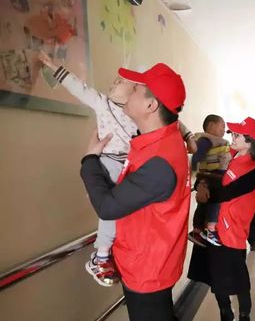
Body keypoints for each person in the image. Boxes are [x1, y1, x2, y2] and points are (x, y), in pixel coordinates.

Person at [80, 63, 210, 321]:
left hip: (146, 267)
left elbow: (108, 206)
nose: (128, 91)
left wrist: (89, 161)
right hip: (153, 259)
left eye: (136, 89)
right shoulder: (159, 141)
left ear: (151, 105)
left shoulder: (160, 160)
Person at [39, 51, 194, 287]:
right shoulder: (104, 104)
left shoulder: (145, 124)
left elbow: (174, 118)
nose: (114, 83)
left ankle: (102, 255)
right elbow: (79, 88)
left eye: (127, 84)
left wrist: (189, 136)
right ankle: (102, 254)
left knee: (115, 209)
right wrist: (53, 67)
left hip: (126, 163)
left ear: (148, 102)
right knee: (110, 210)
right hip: (110, 161)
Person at [195, 117, 255, 321]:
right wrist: (201, 184)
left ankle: (244, 317)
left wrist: (206, 193)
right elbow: (215, 179)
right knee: (217, 280)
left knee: (239, 280)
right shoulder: (230, 160)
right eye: (232, 133)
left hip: (233, 233)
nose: (231, 137)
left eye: (237, 135)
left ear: (250, 141)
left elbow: (229, 192)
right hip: (215, 230)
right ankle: (226, 314)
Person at [188, 115, 231, 246]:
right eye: (222, 126)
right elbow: (197, 155)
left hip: (212, 176)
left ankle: (197, 230)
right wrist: (194, 170)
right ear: (211, 126)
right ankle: (211, 230)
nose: (224, 130)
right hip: (211, 176)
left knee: (203, 204)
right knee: (214, 201)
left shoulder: (215, 141)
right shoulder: (207, 140)